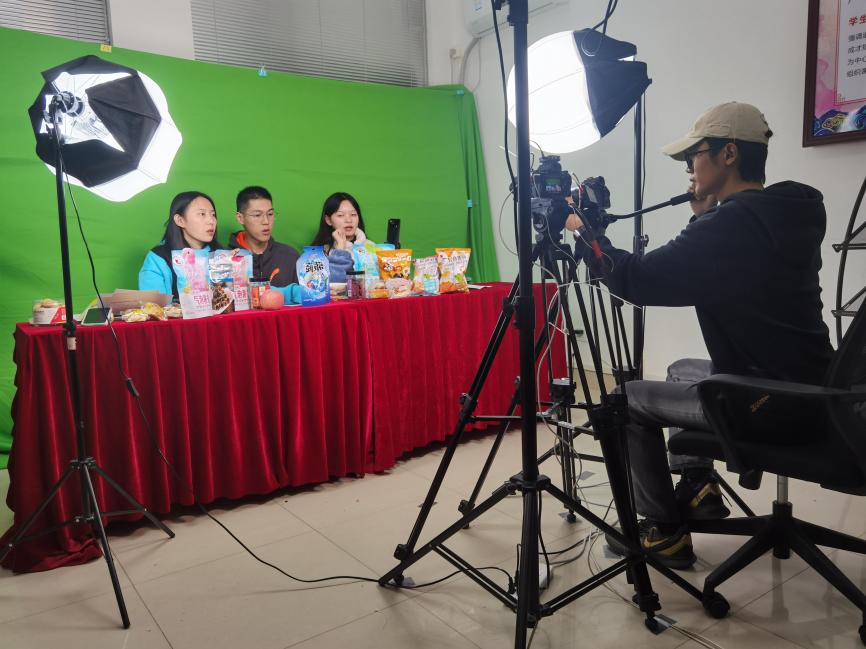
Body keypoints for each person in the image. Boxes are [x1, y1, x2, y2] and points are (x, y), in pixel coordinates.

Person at [571, 102, 834, 569]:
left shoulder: (731, 225)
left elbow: (636, 280)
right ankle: (699, 487)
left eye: (694, 156)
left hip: (769, 403)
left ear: (728, 154)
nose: (689, 168)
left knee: (623, 401)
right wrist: (703, 215)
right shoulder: (785, 212)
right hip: (811, 387)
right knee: (681, 370)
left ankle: (663, 532)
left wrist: (585, 235)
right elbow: (717, 262)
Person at [139, 191, 223, 298]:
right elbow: (153, 305)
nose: (211, 221)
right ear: (180, 220)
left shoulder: (221, 255)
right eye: (202, 214)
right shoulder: (159, 258)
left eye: (213, 215)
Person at [228, 186, 301, 305]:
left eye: (270, 214)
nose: (266, 221)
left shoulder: (290, 256)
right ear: (240, 218)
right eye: (257, 215)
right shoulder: (226, 260)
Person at [310, 192, 370, 283]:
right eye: (340, 215)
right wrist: (340, 249)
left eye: (353, 214)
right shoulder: (317, 254)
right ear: (328, 220)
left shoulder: (370, 247)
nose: (349, 220)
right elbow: (332, 283)